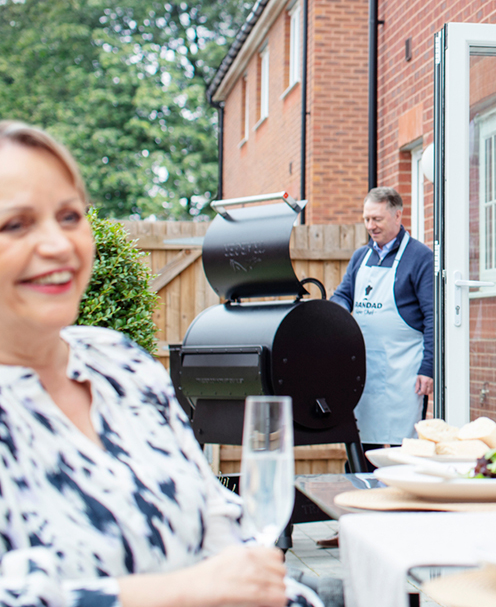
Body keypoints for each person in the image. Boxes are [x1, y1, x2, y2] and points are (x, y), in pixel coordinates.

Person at [0, 121, 321, 607]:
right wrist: (186, 593)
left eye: (69, 217)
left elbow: (217, 517)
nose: (58, 245)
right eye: (16, 224)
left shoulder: (119, 362)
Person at [332, 187, 434, 452]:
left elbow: (433, 317)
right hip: (364, 370)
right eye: (367, 219)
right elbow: (343, 295)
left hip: (405, 370)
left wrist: (428, 367)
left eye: (377, 219)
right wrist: (337, 311)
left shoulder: (419, 258)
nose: (371, 226)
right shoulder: (360, 257)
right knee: (362, 445)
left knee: (406, 447)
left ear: (398, 216)